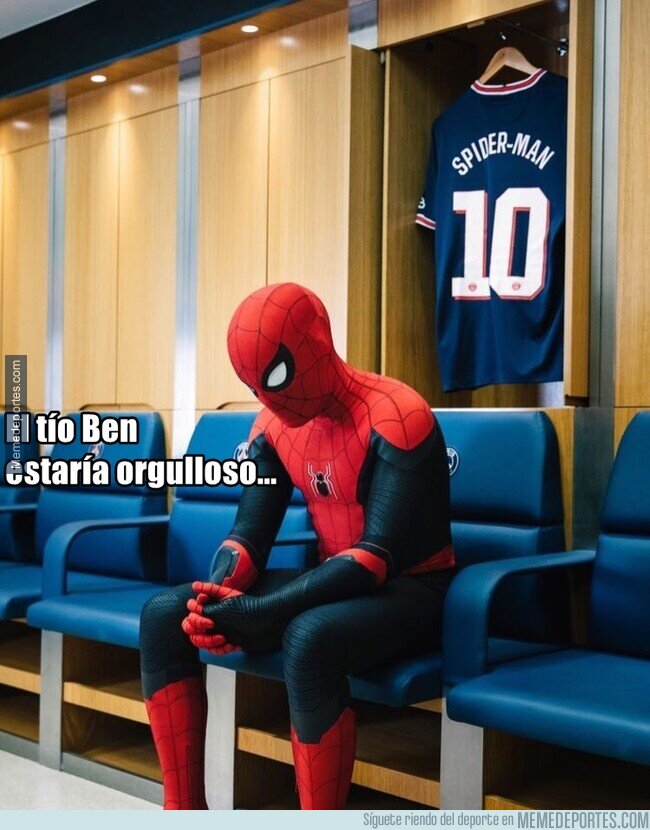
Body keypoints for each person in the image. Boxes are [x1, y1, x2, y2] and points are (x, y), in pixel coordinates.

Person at [140, 282, 454, 810]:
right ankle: (183, 810)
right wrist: (214, 598)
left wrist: (264, 613)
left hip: (414, 590)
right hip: (337, 581)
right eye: (254, 387)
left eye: (275, 377)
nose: (269, 400)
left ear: (318, 343)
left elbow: (376, 558)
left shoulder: (399, 415)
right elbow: (247, 534)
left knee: (308, 637)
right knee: (163, 614)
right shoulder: (272, 426)